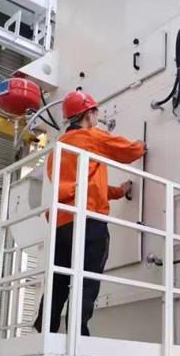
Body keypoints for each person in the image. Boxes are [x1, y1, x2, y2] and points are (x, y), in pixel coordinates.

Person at [33, 90, 145, 336]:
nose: (98, 117)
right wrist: (142, 145)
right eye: (96, 112)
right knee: (86, 278)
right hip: (88, 220)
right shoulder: (91, 137)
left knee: (59, 278)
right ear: (88, 114)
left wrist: (119, 191)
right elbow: (129, 152)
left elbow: (84, 185)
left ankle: (45, 330)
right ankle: (77, 332)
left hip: (62, 221)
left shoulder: (57, 149)